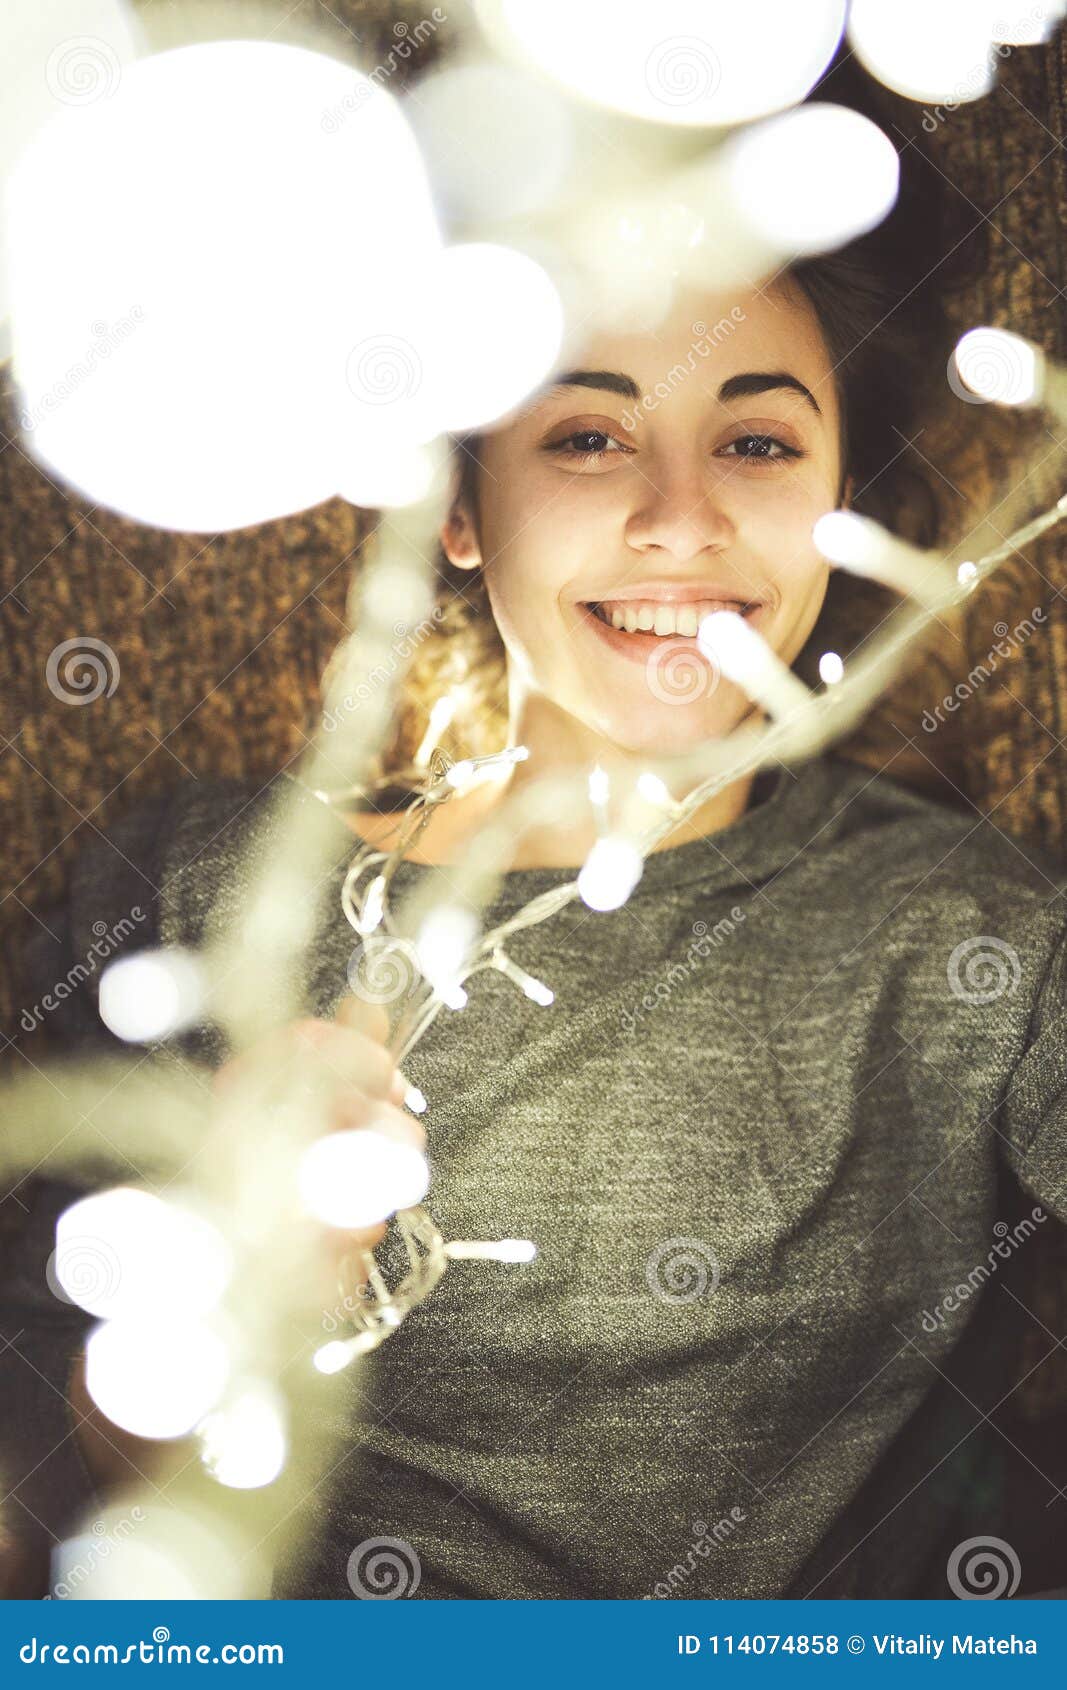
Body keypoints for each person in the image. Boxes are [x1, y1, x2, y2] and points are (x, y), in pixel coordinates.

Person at [4, 83, 1067, 1602]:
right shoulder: (201, 896)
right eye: (586, 434)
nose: (680, 520)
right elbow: (55, 1499)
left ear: (844, 491)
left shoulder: (977, 937)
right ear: (454, 502)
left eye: (759, 442)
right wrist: (211, 1304)